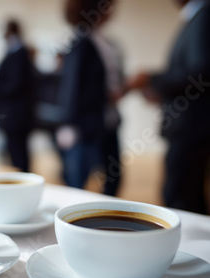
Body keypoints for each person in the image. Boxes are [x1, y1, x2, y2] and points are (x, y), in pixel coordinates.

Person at [129, 0, 210, 214]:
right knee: (190, 196)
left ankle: (187, 248)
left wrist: (152, 79)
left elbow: (201, 71)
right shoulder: (197, 16)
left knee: (178, 197)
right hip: (192, 126)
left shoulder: (204, 15)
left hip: (191, 128)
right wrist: (161, 90)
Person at [56, 0, 118, 189]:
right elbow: (71, 88)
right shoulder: (82, 43)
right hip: (85, 126)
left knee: (112, 176)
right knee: (78, 181)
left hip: (104, 120)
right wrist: (68, 124)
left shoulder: (98, 40)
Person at [0, 20, 35, 172]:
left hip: (16, 116)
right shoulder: (14, 52)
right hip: (13, 115)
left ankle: (22, 183)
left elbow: (16, 84)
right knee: (15, 152)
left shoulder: (19, 53)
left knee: (19, 154)